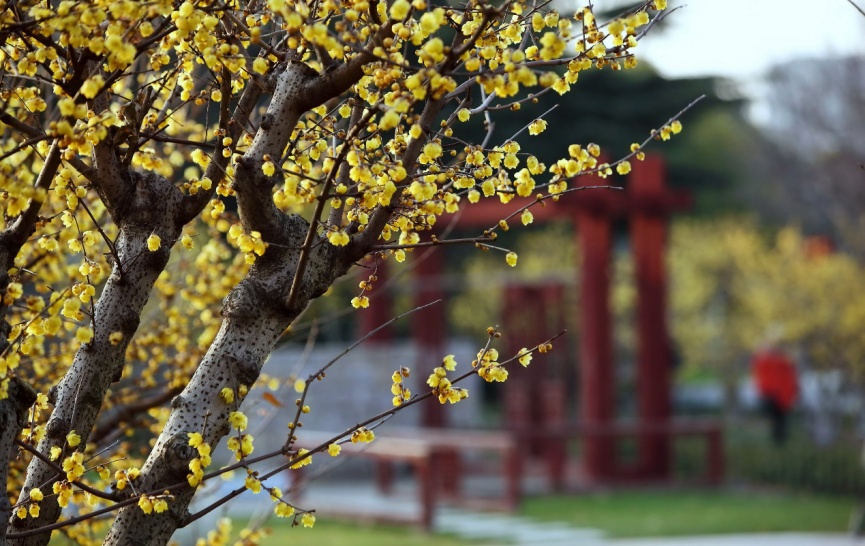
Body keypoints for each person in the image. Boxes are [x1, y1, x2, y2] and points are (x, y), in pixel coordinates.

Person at [751, 339, 798, 446]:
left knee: (779, 421)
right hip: (776, 394)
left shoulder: (776, 362)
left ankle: (779, 443)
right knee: (779, 421)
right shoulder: (779, 362)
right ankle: (779, 443)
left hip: (777, 394)